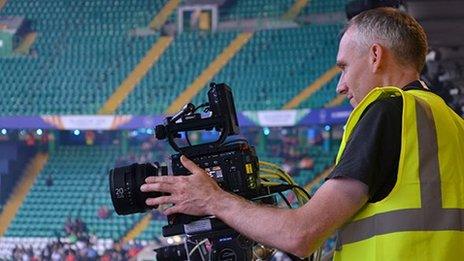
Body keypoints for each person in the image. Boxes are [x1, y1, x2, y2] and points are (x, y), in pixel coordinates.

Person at [141, 7, 464, 259]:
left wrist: (214, 199)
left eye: (343, 67)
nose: (341, 86)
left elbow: (301, 235)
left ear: (375, 56)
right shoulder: (452, 122)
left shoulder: (389, 107)